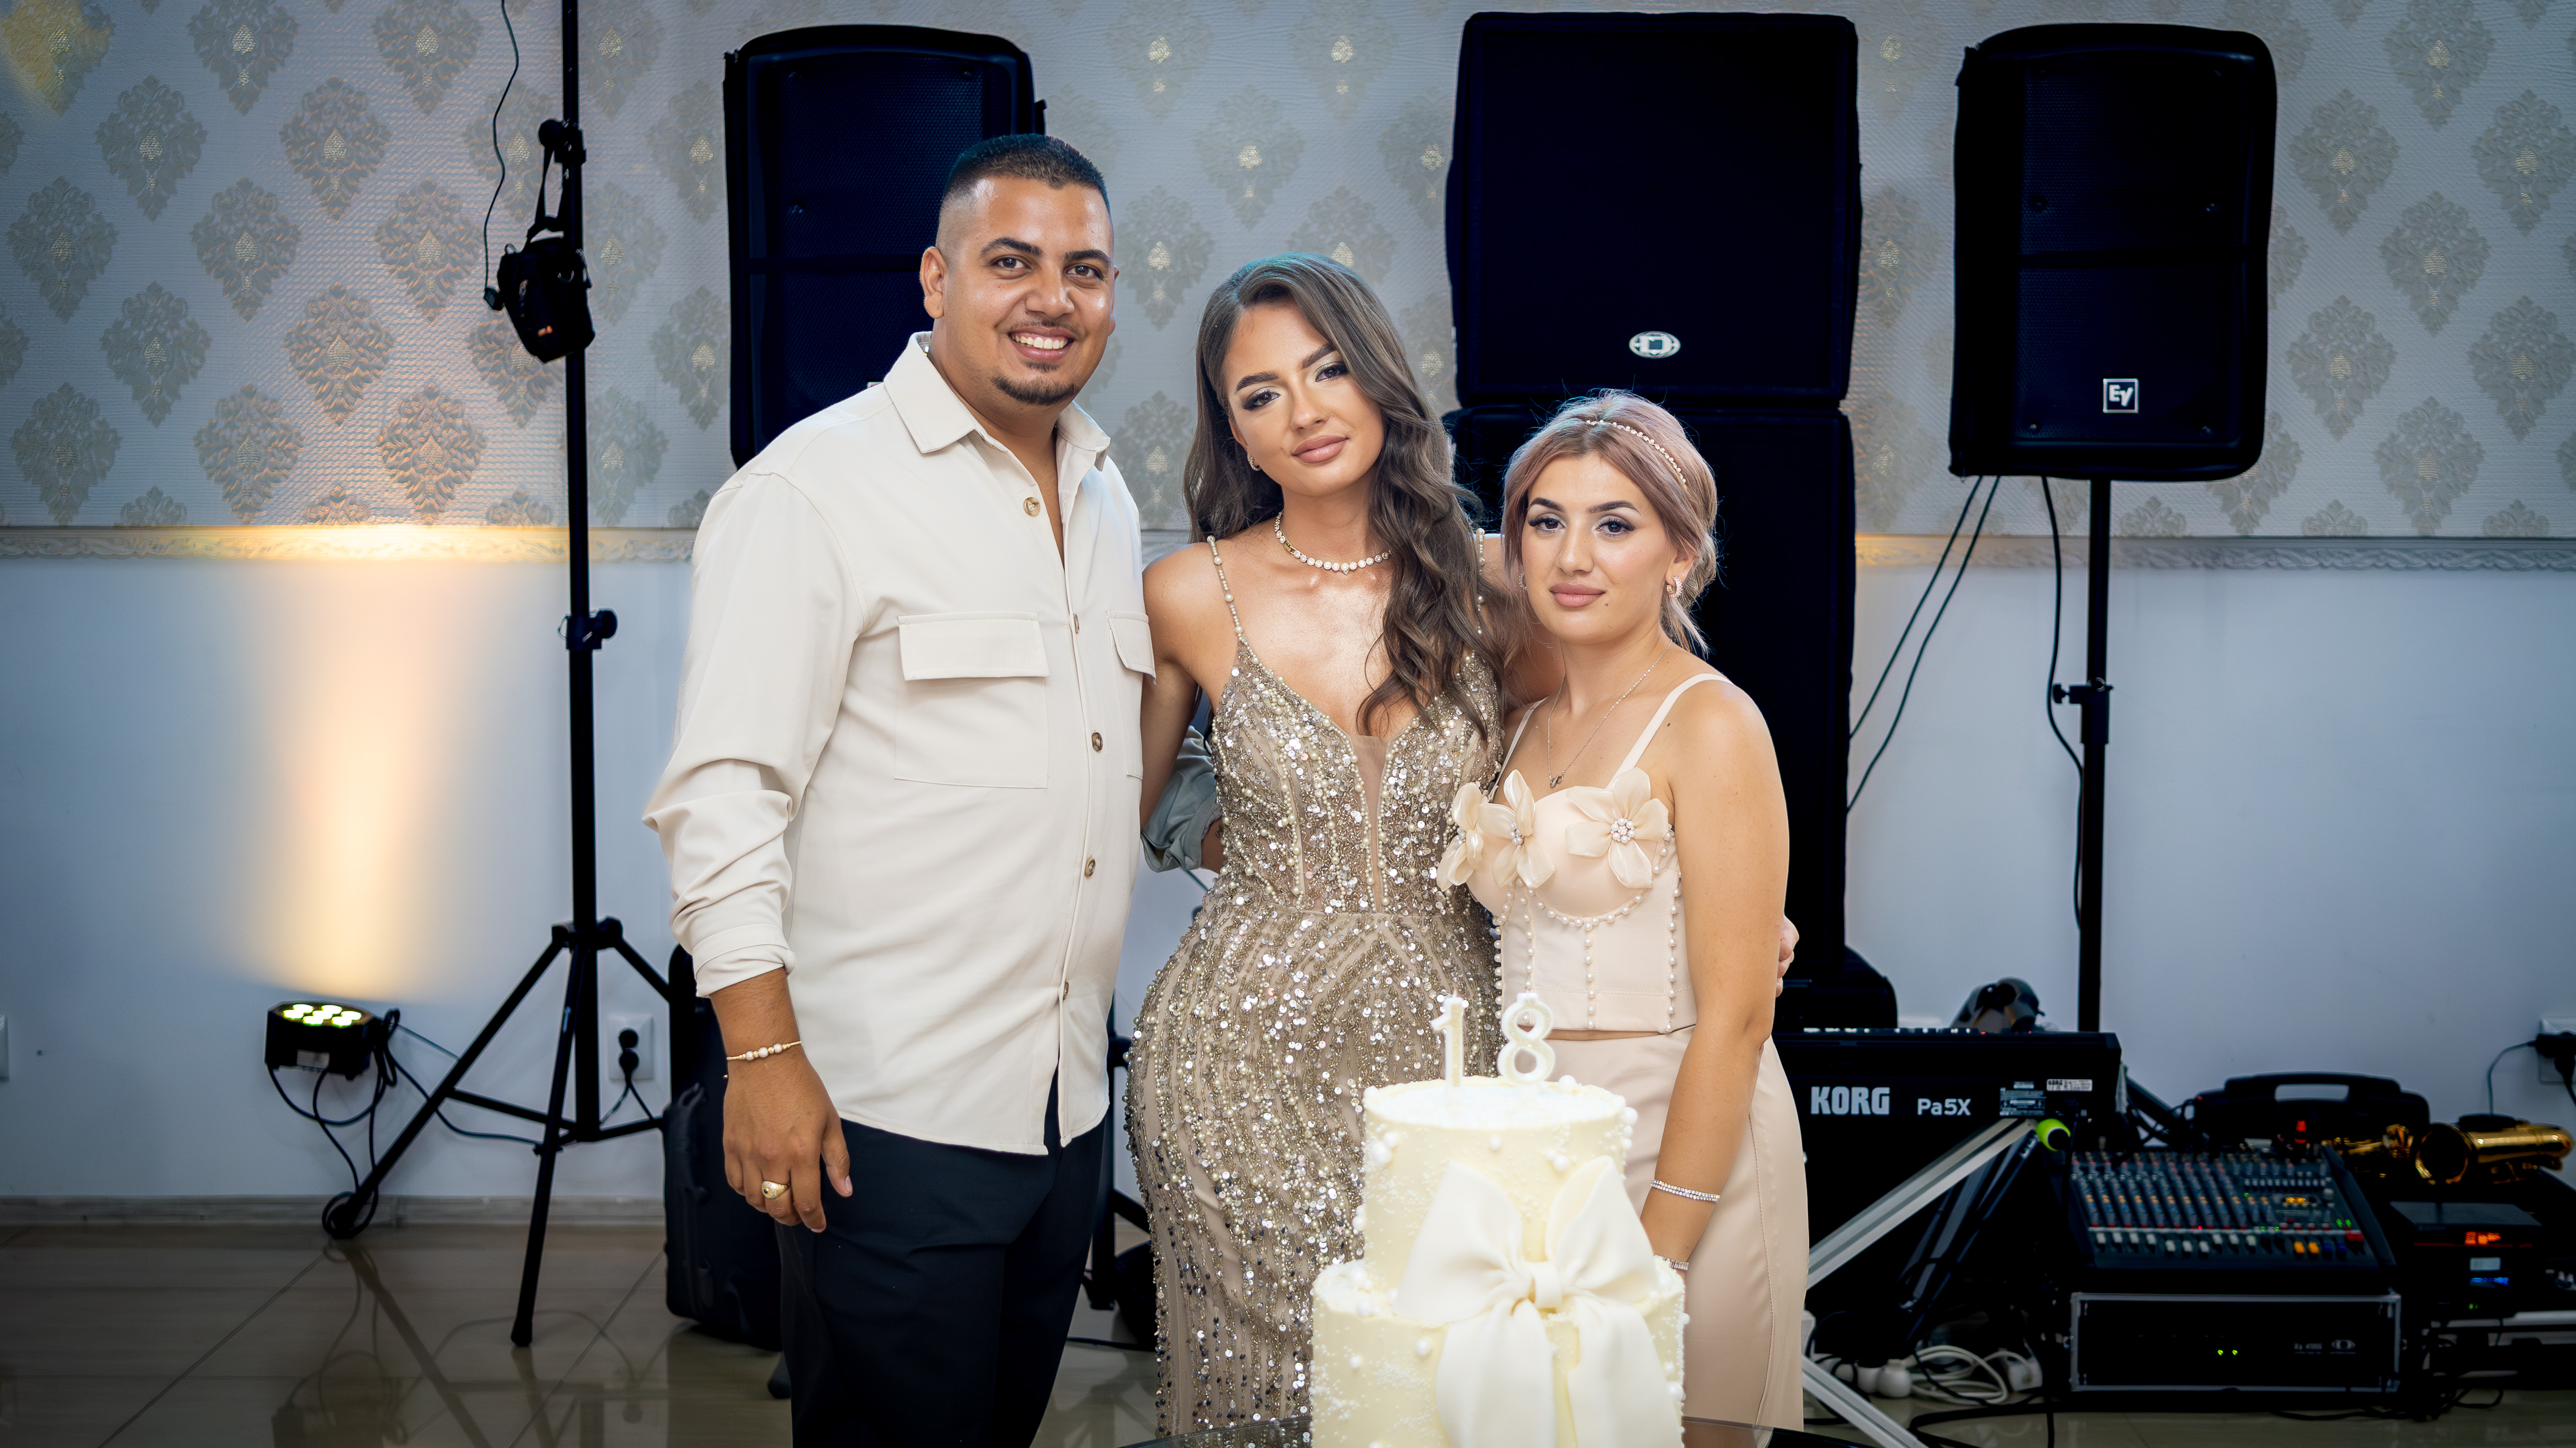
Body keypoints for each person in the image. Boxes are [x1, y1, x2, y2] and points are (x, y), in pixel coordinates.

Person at [643, 135, 1141, 1447]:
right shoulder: (812, 490)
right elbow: (722, 796)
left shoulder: (1105, 494)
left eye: (1085, 270)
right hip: (888, 1116)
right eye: (1011, 261)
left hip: (1064, 1112)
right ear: (935, 278)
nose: (1052, 298)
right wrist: (761, 1058)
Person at [1124, 254, 1522, 1432]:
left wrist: (1728, 897)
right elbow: (1117, 803)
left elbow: (1606, 755)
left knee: (1430, 1396)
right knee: (1263, 1403)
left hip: (1453, 1057)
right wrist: (1234, 833)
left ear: (1380, 379)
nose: (1303, 411)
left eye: (1329, 369)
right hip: (1234, 1059)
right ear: (1235, 436)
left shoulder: (1494, 582)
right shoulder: (1186, 593)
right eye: (1260, 395)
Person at [1449, 391, 1808, 1428]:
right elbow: (1433, 561)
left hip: (1687, 1140)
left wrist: (1664, 1244)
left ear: (1679, 553)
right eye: (1545, 521)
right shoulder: (1521, 721)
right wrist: (1504, 544)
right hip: (1541, 1147)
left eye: (1615, 525)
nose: (1573, 556)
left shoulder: (1713, 721)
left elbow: (1738, 1015)